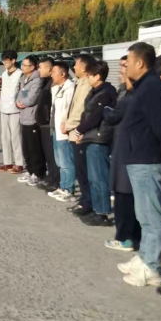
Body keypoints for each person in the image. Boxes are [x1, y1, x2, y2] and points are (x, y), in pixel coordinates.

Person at [115, 43, 161, 288]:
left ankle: (152, 267)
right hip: (137, 158)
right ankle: (145, 257)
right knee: (143, 215)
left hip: (147, 159)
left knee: (150, 217)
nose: (125, 66)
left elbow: (159, 126)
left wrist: (156, 154)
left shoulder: (151, 86)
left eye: (128, 61)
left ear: (139, 62)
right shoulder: (143, 85)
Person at [70, 60, 117, 227]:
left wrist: (79, 130)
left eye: (90, 75)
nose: (88, 78)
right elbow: (86, 114)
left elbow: (94, 117)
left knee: (99, 178)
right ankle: (96, 209)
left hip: (99, 138)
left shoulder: (105, 93)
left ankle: (102, 213)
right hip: (91, 137)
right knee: (93, 177)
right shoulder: (95, 91)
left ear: (98, 76)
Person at [104, 57, 141, 251]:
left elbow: (112, 115)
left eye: (125, 66)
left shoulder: (132, 97)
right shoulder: (124, 92)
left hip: (129, 152)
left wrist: (106, 110)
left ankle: (127, 237)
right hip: (122, 147)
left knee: (125, 195)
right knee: (122, 194)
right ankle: (129, 236)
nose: (121, 70)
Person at [64, 54, 95, 216]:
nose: (74, 67)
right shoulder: (80, 82)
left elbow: (80, 109)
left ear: (84, 67)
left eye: (76, 64)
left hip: (79, 132)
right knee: (80, 169)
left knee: (84, 171)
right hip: (73, 131)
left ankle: (88, 202)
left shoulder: (87, 84)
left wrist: (69, 125)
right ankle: (84, 199)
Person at [16, 55, 46, 186]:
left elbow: (32, 98)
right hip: (23, 117)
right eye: (22, 65)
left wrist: (22, 102)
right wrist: (18, 102)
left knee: (34, 148)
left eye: (25, 65)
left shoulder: (37, 80)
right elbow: (20, 95)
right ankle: (29, 170)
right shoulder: (24, 79)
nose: (22, 67)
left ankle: (38, 173)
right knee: (26, 147)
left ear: (32, 67)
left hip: (32, 118)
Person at [49, 61, 76, 201]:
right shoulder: (57, 88)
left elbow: (69, 109)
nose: (51, 75)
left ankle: (69, 189)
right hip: (55, 129)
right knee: (59, 161)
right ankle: (63, 186)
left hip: (64, 130)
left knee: (66, 162)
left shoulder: (70, 88)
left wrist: (67, 125)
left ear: (63, 74)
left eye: (54, 72)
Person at [0, 51, 25, 174]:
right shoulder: (4, 74)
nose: (5, 62)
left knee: (16, 137)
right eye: (4, 60)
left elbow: (24, 91)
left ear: (13, 60)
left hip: (15, 110)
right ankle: (7, 162)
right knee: (5, 137)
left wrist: (21, 103)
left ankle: (19, 163)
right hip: (4, 109)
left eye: (7, 60)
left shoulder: (20, 74)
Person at [35, 57, 60, 191]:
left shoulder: (53, 84)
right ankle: (51, 176)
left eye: (40, 67)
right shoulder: (45, 83)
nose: (38, 70)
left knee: (52, 153)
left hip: (49, 123)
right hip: (44, 123)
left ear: (49, 69)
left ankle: (56, 179)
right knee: (47, 153)